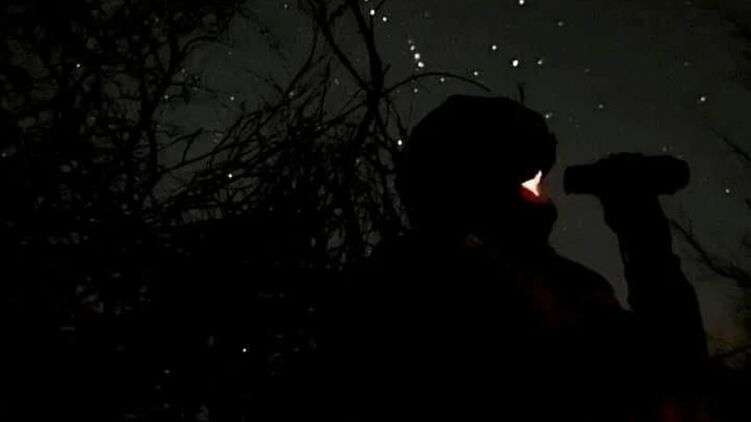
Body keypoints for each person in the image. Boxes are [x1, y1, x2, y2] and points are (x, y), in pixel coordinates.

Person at [320, 95, 708, 421]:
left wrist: (640, 227)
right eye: (522, 166)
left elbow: (675, 373)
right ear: (469, 179)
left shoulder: (571, 283)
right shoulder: (405, 285)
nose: (540, 180)